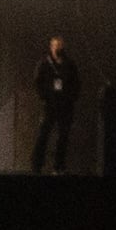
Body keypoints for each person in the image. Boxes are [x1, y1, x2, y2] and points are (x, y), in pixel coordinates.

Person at [30, 33, 80, 173]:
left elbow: (76, 83)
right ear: (51, 47)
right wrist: (44, 96)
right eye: (55, 46)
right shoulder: (44, 63)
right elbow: (37, 82)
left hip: (65, 105)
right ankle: (37, 164)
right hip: (50, 105)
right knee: (43, 134)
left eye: (60, 46)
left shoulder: (69, 64)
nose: (58, 48)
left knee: (63, 136)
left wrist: (71, 98)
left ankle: (59, 166)